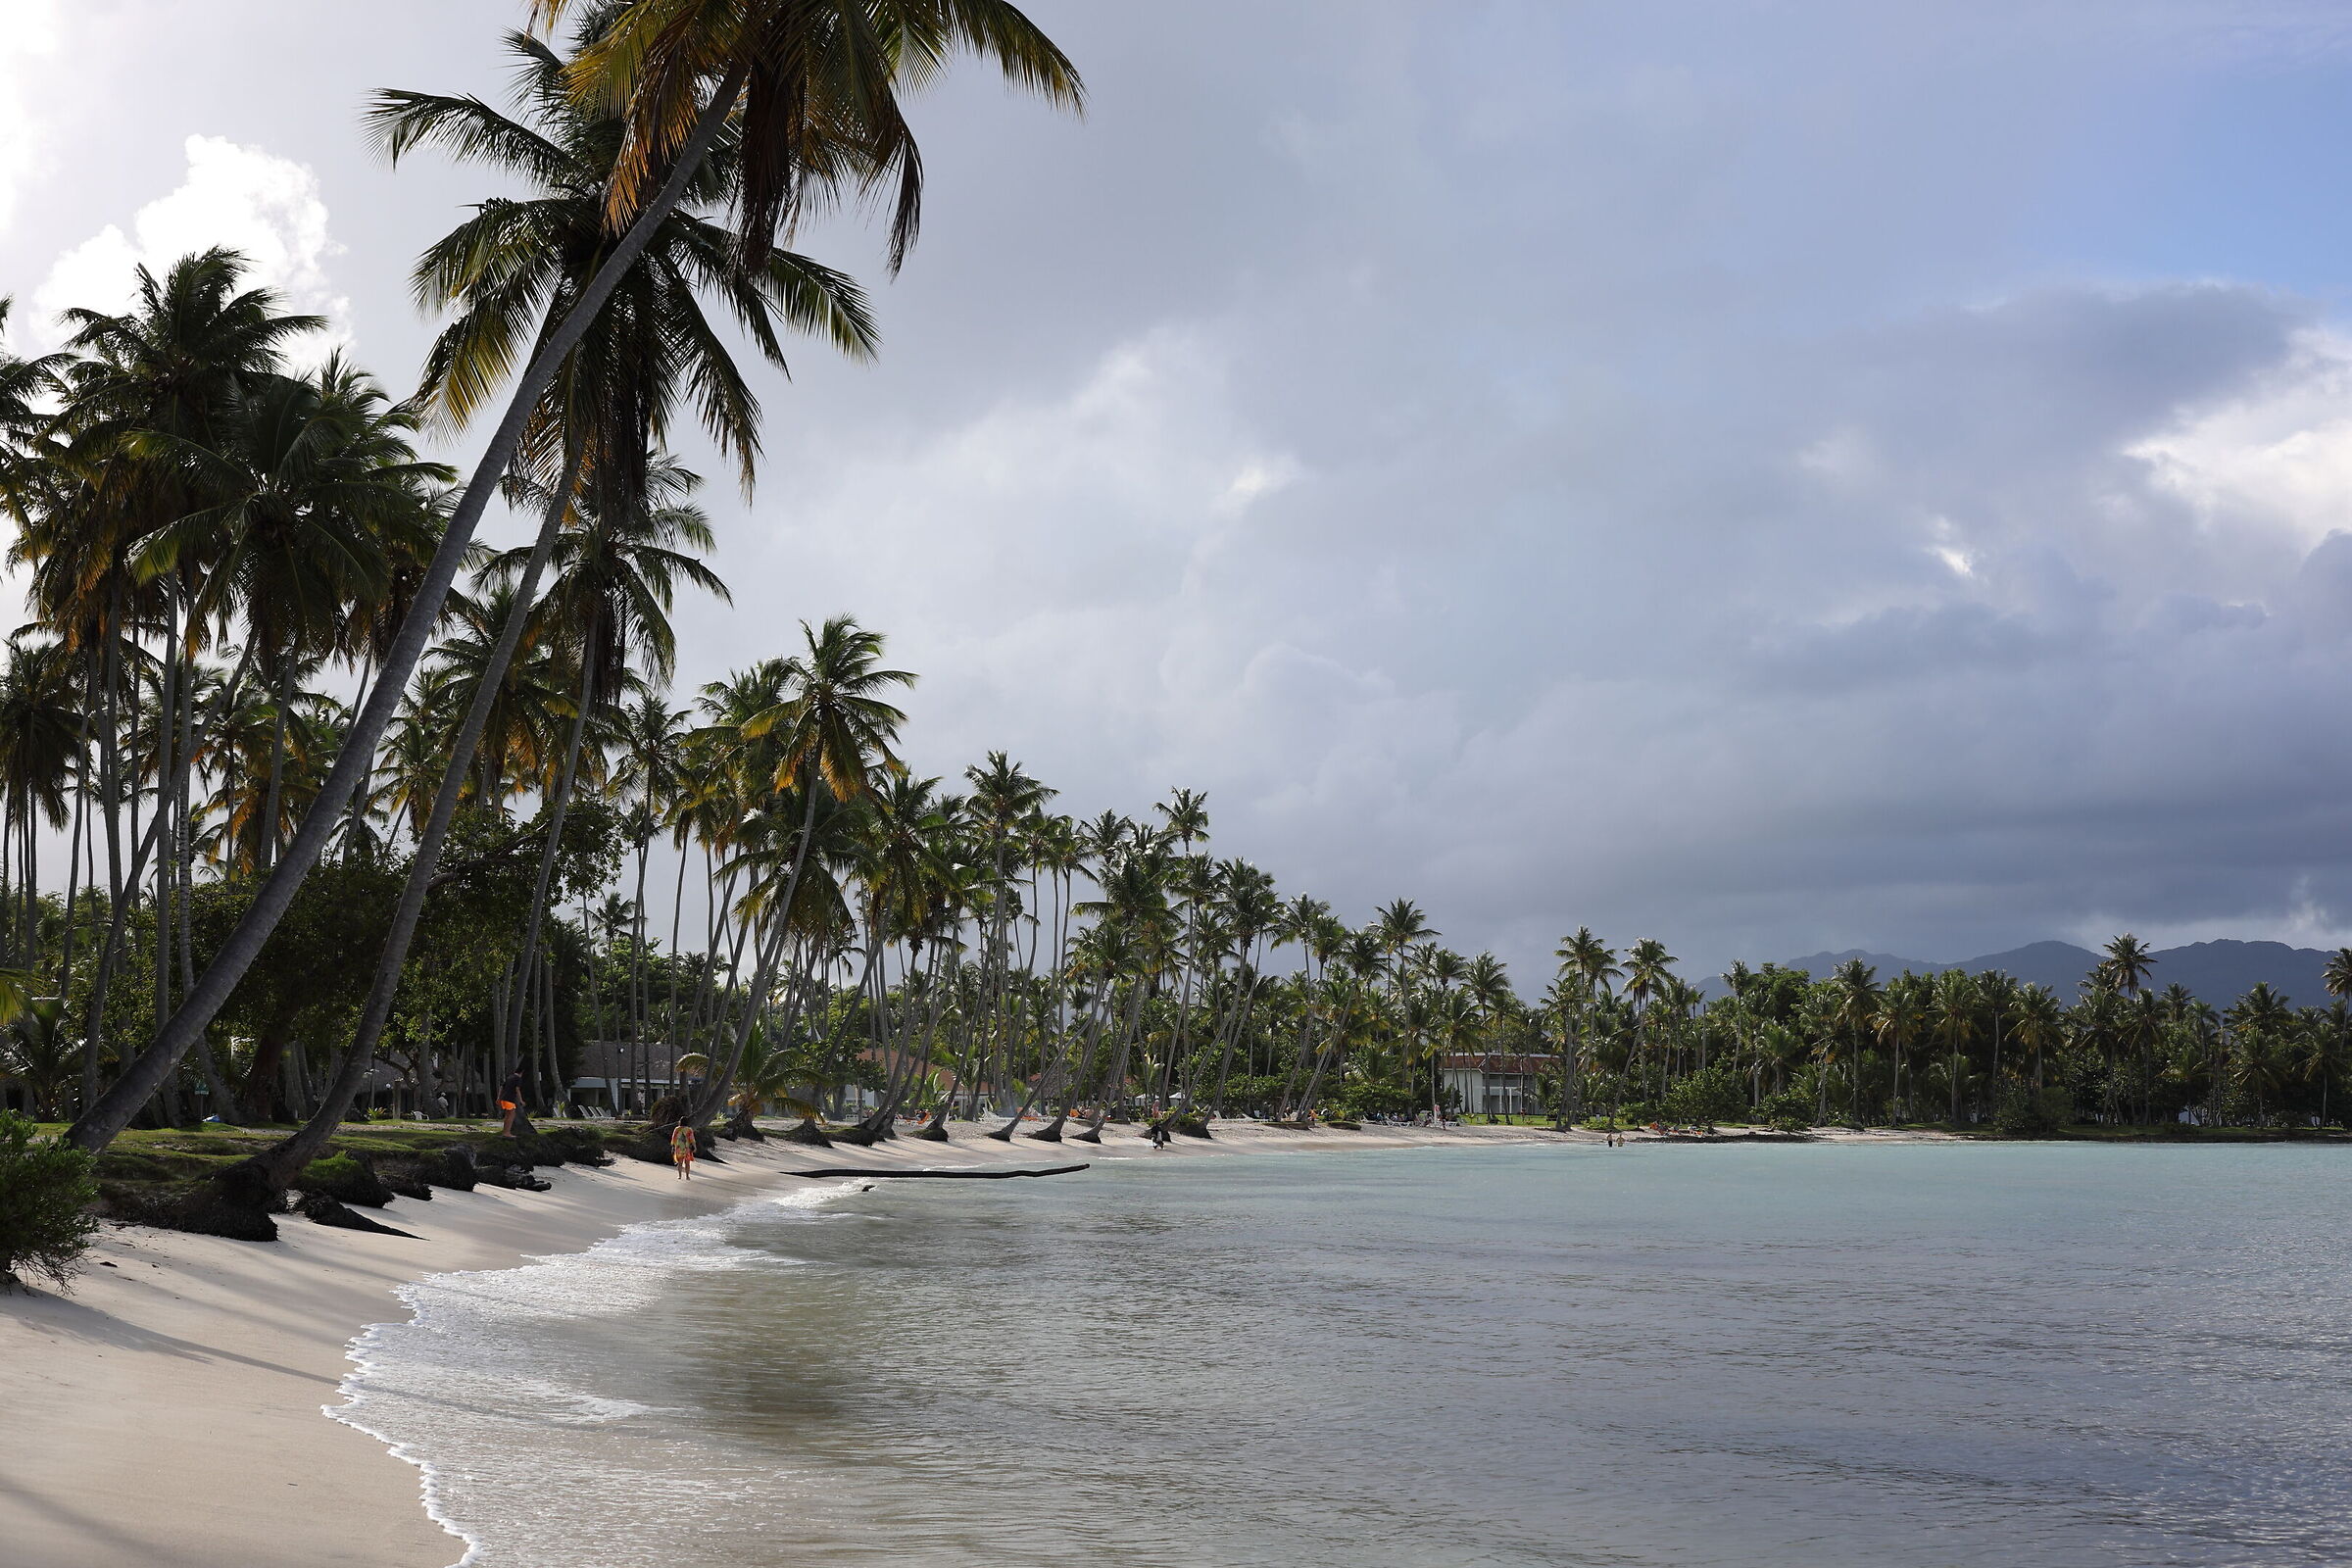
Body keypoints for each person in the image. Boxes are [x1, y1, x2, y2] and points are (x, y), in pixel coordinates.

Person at [498, 1069, 525, 1135]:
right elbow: (517, 1089)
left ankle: (505, 1132)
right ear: (521, 1072)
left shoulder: (509, 1077)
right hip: (509, 1099)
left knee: (508, 1115)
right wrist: (521, 1100)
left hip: (503, 1098)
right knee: (511, 1115)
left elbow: (502, 1087)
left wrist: (498, 1097)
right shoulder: (518, 1078)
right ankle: (507, 1132)